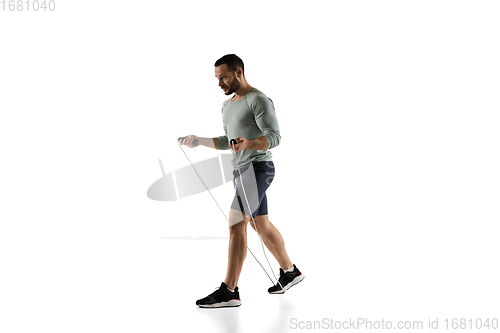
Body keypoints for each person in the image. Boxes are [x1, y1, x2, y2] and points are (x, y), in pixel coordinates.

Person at [179, 54, 304, 308]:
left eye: (223, 77)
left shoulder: (258, 100)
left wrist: (250, 143)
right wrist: (199, 141)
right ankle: (290, 271)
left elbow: (275, 137)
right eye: (216, 78)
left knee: (236, 223)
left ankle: (230, 290)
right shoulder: (227, 105)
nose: (219, 83)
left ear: (238, 72)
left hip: (258, 168)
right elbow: (229, 141)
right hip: (240, 171)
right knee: (261, 224)